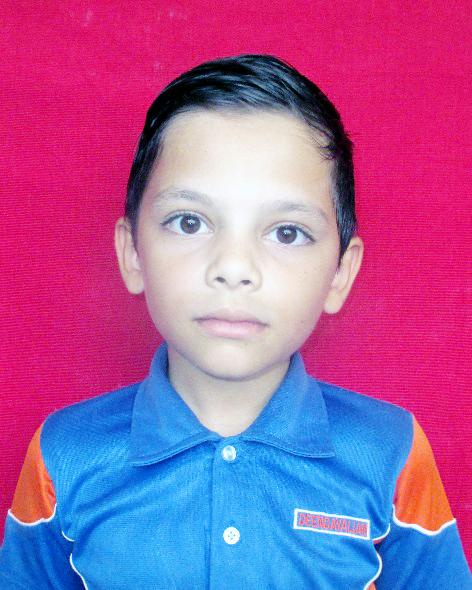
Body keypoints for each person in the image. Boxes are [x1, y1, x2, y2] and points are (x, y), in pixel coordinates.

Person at [0, 55, 470, 589]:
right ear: (132, 252)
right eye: (189, 222)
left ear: (341, 272)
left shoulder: (392, 452)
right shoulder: (64, 453)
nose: (233, 267)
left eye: (287, 232)